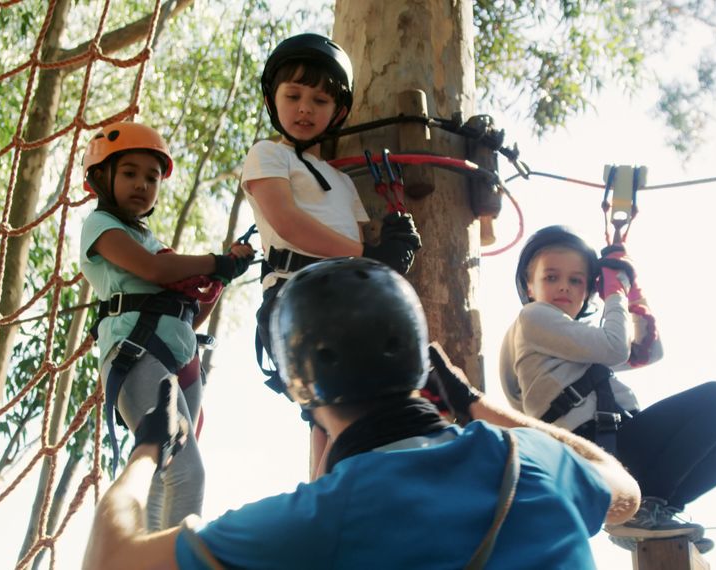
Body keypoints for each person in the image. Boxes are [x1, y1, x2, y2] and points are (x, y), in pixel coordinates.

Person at [82, 257, 641, 570]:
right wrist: (475, 403)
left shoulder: (315, 519)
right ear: (421, 363)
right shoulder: (535, 459)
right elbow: (624, 492)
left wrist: (149, 447)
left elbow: (109, 562)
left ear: (303, 391)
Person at [499, 225, 716, 553]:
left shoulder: (571, 339)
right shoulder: (533, 319)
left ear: (586, 292)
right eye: (551, 277)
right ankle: (647, 506)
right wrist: (615, 293)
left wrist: (634, 298)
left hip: (615, 446)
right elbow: (616, 349)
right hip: (592, 447)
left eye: (576, 280)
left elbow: (646, 352)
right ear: (529, 286)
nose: (564, 286)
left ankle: (655, 510)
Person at [79, 121, 255, 530]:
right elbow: (154, 270)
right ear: (101, 177)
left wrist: (220, 278)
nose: (142, 184)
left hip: (181, 360)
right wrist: (216, 262)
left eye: (152, 178)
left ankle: (151, 554)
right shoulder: (101, 227)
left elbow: (190, 313)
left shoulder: (150, 238)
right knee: (185, 473)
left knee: (162, 478)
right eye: (129, 173)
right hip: (137, 355)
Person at [241, 32, 422, 397]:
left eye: (319, 100)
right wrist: (368, 257)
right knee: (334, 407)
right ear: (271, 100)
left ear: (337, 112)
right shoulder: (268, 154)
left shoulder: (342, 180)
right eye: (293, 96)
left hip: (347, 294)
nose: (305, 108)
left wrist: (391, 235)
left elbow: (358, 236)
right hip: (296, 290)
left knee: (355, 406)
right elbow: (288, 222)